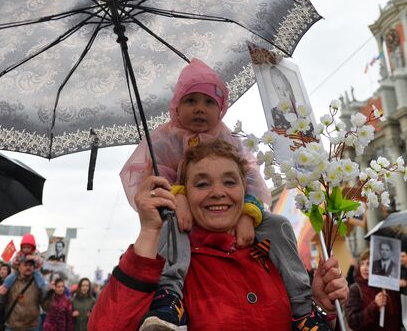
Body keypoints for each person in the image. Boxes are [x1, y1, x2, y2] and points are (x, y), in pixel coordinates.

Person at [120, 59, 316, 330]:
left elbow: (251, 184)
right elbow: (154, 183)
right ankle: (170, 297)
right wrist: (178, 197)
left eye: (209, 102)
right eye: (191, 101)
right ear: (176, 105)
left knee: (278, 224)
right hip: (184, 221)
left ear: (221, 108)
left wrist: (248, 214)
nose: (200, 108)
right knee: (169, 224)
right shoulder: (164, 140)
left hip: (235, 219)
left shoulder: (231, 140)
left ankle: (304, 309)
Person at [92, 140, 348, 330]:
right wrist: (149, 231)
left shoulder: (272, 253)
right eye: (202, 184)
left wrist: (322, 307)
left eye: (229, 182)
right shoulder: (168, 262)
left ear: (244, 191)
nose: (217, 192)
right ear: (184, 194)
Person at [346, 249, 401, 331]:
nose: (364, 268)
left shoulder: (386, 287)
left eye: (369, 264)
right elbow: (353, 322)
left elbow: (396, 316)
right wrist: (375, 305)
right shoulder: (356, 289)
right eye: (362, 264)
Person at [0, 234, 46, 303]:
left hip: (34, 271)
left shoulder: (36, 253)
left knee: (38, 275)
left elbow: (41, 262)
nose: (26, 249)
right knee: (11, 276)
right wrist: (17, 260)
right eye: (24, 247)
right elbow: (13, 263)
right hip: (19, 272)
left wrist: (34, 258)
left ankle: (44, 290)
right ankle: (3, 290)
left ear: (32, 248)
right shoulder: (19, 254)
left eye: (28, 247)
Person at [3, 256, 47, 331]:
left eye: (30, 265)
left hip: (31, 327)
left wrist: (49, 295)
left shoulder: (38, 283)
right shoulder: (11, 281)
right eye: (25, 265)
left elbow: (46, 306)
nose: (28, 267)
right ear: (19, 267)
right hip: (12, 326)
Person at [269, 65, 296, 129]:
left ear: (291, 88)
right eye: (278, 88)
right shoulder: (274, 114)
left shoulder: (302, 110)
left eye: (286, 89)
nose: (283, 94)